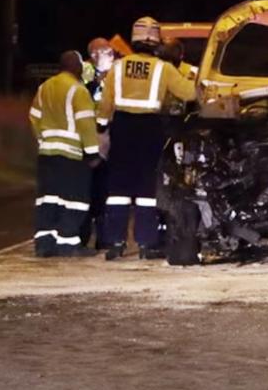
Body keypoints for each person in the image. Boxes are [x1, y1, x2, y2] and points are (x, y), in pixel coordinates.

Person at [96, 17, 197, 260]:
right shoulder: (163, 68)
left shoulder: (118, 68)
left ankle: (115, 243)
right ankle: (145, 243)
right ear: (155, 42)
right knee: (146, 189)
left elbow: (105, 104)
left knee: (118, 189)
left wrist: (102, 129)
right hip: (150, 129)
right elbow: (189, 92)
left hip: (122, 128)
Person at [28, 51, 101, 258]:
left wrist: (44, 140)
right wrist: (92, 153)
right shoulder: (78, 90)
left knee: (47, 199)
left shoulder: (44, 88)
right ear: (76, 67)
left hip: (47, 154)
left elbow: (33, 117)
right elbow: (86, 123)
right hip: (71, 156)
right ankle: (68, 243)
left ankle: (44, 244)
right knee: (75, 200)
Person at [79, 38, 115, 249]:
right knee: (87, 191)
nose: (111, 55)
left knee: (104, 191)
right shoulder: (84, 71)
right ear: (94, 54)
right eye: (107, 52)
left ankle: (104, 237)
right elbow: (82, 94)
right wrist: (98, 80)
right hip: (88, 138)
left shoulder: (114, 73)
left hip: (106, 139)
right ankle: (82, 235)